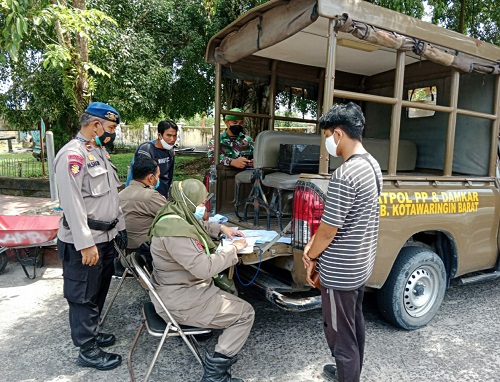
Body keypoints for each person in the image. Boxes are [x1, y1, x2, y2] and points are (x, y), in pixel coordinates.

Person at [302, 103, 382, 382]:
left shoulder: (344, 174)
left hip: (340, 271)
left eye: (327, 135)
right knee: (353, 322)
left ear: (338, 134)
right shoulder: (372, 165)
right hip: (360, 264)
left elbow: (328, 230)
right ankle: (351, 371)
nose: (327, 142)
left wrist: (311, 255)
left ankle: (348, 373)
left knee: (339, 333)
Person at [148, 179, 255, 382]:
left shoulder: (173, 213)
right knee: (246, 313)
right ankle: (215, 375)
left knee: (233, 297)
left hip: (177, 290)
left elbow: (195, 224)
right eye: (201, 202)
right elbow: (204, 268)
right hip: (182, 300)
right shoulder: (175, 232)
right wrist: (234, 249)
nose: (203, 207)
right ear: (189, 200)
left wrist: (222, 229)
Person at [54, 101, 128, 371]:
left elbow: (112, 195)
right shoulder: (72, 156)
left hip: (106, 237)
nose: (111, 133)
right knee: (82, 295)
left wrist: (120, 228)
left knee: (98, 289)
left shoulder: (98, 152)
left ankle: (93, 334)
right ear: (95, 125)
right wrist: (85, 244)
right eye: (110, 127)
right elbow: (72, 204)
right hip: (84, 242)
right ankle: (87, 349)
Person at [118, 155, 166, 268]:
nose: (158, 179)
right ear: (150, 178)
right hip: (145, 254)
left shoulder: (120, 195)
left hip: (125, 254)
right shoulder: (150, 196)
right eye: (158, 176)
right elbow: (173, 216)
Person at [126, 119, 178, 198]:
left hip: (161, 197)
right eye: (169, 135)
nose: (172, 139)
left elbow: (169, 176)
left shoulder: (170, 151)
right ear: (160, 135)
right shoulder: (146, 150)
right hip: (143, 197)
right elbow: (142, 179)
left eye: (175, 135)